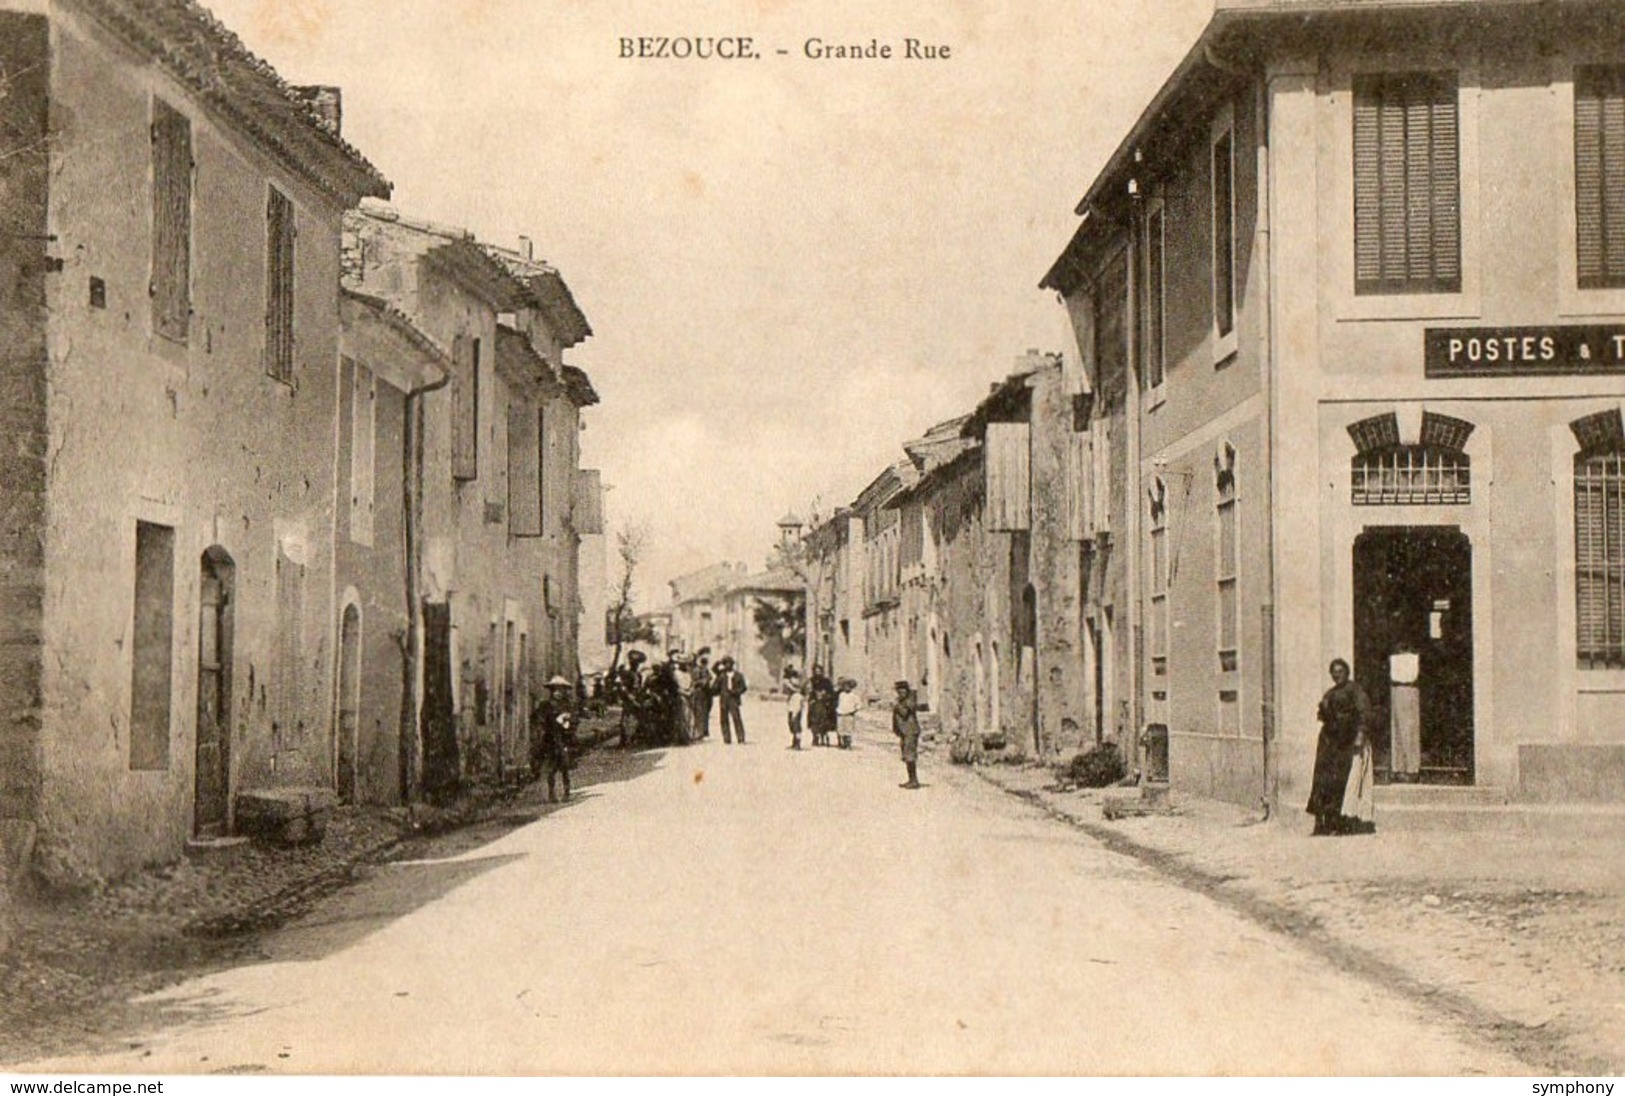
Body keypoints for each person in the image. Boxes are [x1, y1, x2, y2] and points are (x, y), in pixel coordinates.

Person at [1307, 658, 1373, 836]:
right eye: (1334, 672)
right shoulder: (1330, 693)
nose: (1337, 675)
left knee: (1342, 781)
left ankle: (1341, 821)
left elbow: (1364, 714)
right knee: (1323, 780)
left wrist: (1360, 735)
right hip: (1329, 741)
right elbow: (1322, 715)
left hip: (1347, 741)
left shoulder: (1355, 691)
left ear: (1347, 672)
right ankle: (1323, 822)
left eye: (1340, 671)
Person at [535, 675, 578, 803]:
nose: (558, 693)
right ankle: (552, 793)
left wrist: (569, 722)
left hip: (564, 738)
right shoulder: (545, 705)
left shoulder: (568, 705)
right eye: (555, 690)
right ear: (551, 691)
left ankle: (566, 792)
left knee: (565, 766)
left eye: (560, 690)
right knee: (551, 768)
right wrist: (546, 724)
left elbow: (575, 719)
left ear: (564, 691)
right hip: (551, 738)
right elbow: (539, 719)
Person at [892, 679, 922, 789]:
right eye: (898, 691)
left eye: (902, 691)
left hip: (910, 731)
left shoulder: (909, 700)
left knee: (910, 756)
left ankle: (914, 781)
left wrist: (896, 706)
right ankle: (911, 779)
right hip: (905, 732)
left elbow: (904, 713)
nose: (900, 693)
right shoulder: (903, 700)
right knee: (906, 756)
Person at [713, 656, 748, 744]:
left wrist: (735, 692)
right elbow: (714, 669)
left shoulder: (738, 675)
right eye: (725, 664)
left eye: (729, 663)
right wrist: (719, 662)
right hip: (724, 700)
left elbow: (743, 687)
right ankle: (726, 738)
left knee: (736, 718)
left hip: (734, 699)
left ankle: (740, 738)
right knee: (724, 719)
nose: (727, 666)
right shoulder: (721, 675)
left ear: (732, 664)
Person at [808, 666, 837, 747]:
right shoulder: (811, 680)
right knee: (813, 721)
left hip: (824, 704)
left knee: (823, 721)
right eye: (816, 671)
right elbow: (809, 691)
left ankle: (823, 737)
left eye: (819, 671)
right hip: (814, 703)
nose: (817, 672)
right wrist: (811, 699)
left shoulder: (826, 681)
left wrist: (825, 695)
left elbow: (831, 692)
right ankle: (815, 737)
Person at [691, 648, 714, 740]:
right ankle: (699, 732)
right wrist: (705, 681)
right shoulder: (697, 670)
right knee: (699, 712)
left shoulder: (705, 669)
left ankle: (704, 731)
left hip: (706, 693)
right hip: (699, 692)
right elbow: (694, 682)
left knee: (705, 712)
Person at [783, 666, 805, 750]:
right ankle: (794, 741)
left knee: (796, 725)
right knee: (792, 725)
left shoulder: (797, 694)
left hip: (796, 707)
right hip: (792, 706)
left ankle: (797, 743)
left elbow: (797, 706)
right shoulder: (792, 695)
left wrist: (794, 714)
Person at [834, 678, 860, 749]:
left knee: (848, 729)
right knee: (841, 729)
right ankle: (843, 743)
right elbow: (839, 703)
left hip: (849, 714)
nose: (846, 688)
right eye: (845, 686)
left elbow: (858, 705)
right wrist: (838, 710)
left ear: (851, 687)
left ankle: (848, 743)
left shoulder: (854, 696)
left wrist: (853, 711)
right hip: (841, 713)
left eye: (848, 686)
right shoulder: (841, 695)